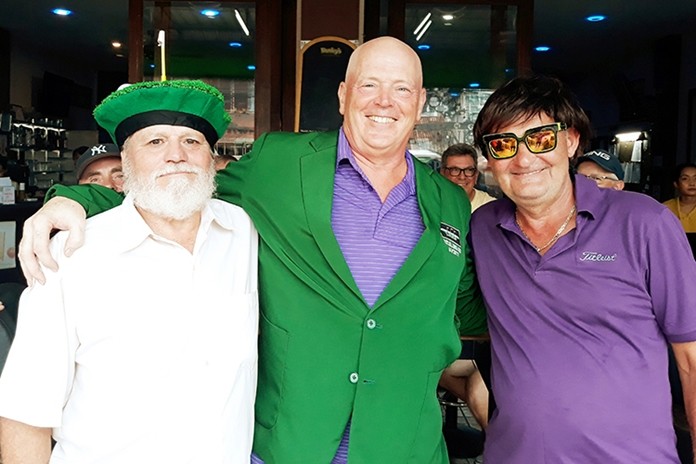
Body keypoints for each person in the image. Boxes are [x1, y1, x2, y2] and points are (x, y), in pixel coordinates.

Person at [17, 37, 487, 463]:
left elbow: (466, 307)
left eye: (402, 89)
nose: (385, 102)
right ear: (343, 95)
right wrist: (72, 198)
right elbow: (176, 190)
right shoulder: (277, 165)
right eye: (369, 85)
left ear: (421, 102)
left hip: (405, 448)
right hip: (290, 449)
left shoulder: (448, 201)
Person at [0, 80, 259, 463]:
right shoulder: (71, 255)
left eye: (192, 142)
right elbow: (26, 412)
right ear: (125, 161)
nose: (176, 156)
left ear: (211, 157)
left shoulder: (242, 232)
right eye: (155, 142)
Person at [470, 74, 696, 463]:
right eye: (503, 144)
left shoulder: (645, 222)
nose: (524, 159)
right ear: (490, 161)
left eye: (540, 138)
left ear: (571, 140)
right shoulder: (483, 228)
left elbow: (691, 355)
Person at [438, 142, 494, 429]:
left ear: (477, 173)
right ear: (441, 172)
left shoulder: (491, 211)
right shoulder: (432, 206)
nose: (461, 176)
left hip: (480, 320)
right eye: (454, 170)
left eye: (468, 170)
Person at [440, 143, 496, 211]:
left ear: (476, 175)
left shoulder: (491, 207)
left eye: (468, 170)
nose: (462, 177)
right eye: (455, 170)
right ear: (442, 174)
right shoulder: (430, 205)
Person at [663, 162, 696, 233]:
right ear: (676, 184)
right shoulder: (665, 209)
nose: (692, 183)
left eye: (695, 178)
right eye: (685, 178)